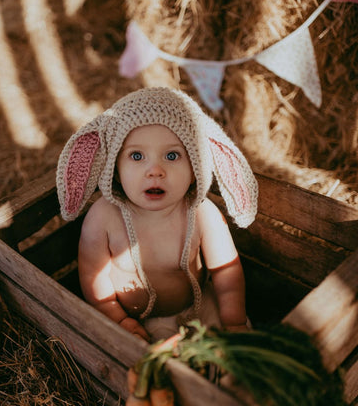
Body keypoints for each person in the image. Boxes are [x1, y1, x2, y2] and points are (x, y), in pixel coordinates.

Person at [56, 87, 258, 342]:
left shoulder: (202, 213)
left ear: (196, 168)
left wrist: (234, 320)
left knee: (234, 350)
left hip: (197, 308)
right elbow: (93, 277)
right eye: (137, 156)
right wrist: (117, 318)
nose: (155, 170)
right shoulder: (103, 218)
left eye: (172, 155)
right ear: (116, 170)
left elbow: (226, 271)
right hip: (137, 320)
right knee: (143, 363)